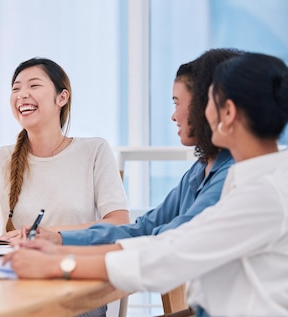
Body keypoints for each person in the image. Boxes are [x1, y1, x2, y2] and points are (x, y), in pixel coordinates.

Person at [5, 52, 288, 316]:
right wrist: (59, 248)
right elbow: (157, 235)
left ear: (226, 112)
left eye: (208, 101)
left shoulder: (262, 192)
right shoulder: (249, 179)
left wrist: (59, 262)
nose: (199, 114)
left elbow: (171, 252)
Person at [34, 49, 241, 245]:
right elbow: (144, 227)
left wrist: (63, 259)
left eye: (177, 103)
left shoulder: (232, 174)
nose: (174, 116)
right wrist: (61, 239)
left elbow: (172, 238)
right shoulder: (197, 172)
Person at [0, 57, 129, 239]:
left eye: (34, 85)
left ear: (62, 98)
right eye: (15, 89)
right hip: (16, 269)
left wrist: (49, 235)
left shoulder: (94, 151)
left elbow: (119, 223)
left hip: (74, 265)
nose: (22, 95)